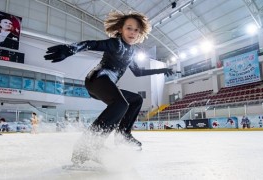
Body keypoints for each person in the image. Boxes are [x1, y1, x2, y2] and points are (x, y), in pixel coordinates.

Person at [44, 11, 173, 164]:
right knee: (121, 104)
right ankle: (85, 146)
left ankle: (123, 135)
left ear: (140, 33)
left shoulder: (131, 52)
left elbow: (139, 72)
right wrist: (70, 49)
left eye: (136, 29)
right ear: (121, 29)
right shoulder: (115, 43)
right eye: (129, 28)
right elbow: (91, 44)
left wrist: (162, 70)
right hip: (97, 79)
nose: (132, 32)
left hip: (106, 85)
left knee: (136, 100)